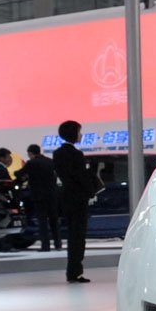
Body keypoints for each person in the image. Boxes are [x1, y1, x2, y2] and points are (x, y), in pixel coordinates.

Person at [53, 121, 99, 284]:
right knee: (78, 236)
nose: (81, 135)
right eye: (79, 132)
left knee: (73, 235)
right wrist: (91, 191)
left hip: (66, 197)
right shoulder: (76, 155)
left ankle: (72, 271)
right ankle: (75, 271)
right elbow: (81, 177)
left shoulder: (57, 154)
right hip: (79, 199)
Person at [15, 144, 62, 252]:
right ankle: (58, 244)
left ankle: (45, 246)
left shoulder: (31, 163)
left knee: (42, 221)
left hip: (39, 196)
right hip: (52, 194)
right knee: (54, 220)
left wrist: (19, 174)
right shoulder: (50, 161)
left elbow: (20, 173)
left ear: (30, 153)